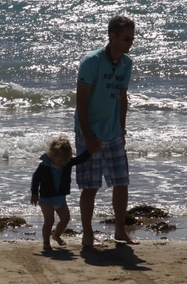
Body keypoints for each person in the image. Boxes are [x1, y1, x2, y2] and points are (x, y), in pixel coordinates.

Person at [74, 15, 139, 246]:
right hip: (89, 131)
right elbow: (80, 102)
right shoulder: (91, 61)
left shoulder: (126, 64)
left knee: (121, 182)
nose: (130, 43)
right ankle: (87, 233)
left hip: (113, 132)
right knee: (91, 186)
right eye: (126, 38)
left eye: (132, 38)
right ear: (112, 37)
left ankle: (120, 231)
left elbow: (122, 97)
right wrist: (88, 136)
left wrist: (121, 129)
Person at [31, 136, 91, 250]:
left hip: (60, 198)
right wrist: (34, 193)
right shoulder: (44, 165)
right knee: (49, 220)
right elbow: (36, 178)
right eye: (59, 161)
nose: (62, 163)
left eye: (64, 161)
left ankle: (56, 235)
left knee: (65, 218)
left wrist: (90, 151)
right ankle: (46, 242)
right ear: (52, 155)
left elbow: (80, 159)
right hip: (46, 198)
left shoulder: (66, 163)